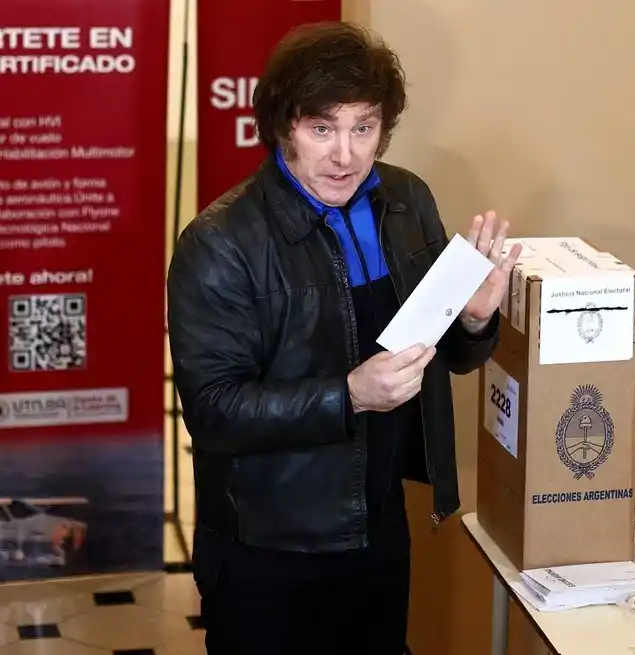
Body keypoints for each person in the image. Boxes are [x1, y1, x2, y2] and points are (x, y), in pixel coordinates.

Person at [166, 22, 521, 655]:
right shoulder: (219, 243)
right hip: (268, 544)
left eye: (364, 127)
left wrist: (472, 321)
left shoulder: (407, 200)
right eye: (322, 128)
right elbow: (215, 411)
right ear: (283, 127)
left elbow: (442, 359)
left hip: (379, 522)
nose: (346, 156)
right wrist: (348, 394)